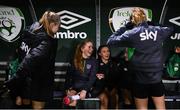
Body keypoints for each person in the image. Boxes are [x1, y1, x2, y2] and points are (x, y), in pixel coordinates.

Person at [107, 7, 173, 109]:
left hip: (140, 79)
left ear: (132, 20)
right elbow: (170, 28)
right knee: (161, 108)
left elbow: (110, 41)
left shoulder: (132, 33)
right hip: (156, 79)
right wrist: (153, 24)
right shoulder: (158, 31)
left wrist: (125, 27)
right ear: (145, 18)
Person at [5, 10, 60, 109]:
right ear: (53, 24)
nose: (59, 29)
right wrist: (14, 80)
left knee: (25, 105)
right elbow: (30, 60)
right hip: (39, 81)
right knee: (37, 108)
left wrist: (17, 80)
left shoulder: (29, 31)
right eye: (58, 26)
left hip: (26, 80)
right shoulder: (46, 40)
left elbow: (22, 55)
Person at [64, 39, 97, 107]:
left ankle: (74, 98)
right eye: (89, 47)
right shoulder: (74, 60)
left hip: (87, 89)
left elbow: (92, 78)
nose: (91, 49)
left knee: (73, 101)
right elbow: (68, 76)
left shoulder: (94, 61)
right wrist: (68, 89)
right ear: (82, 49)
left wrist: (85, 90)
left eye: (92, 47)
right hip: (74, 88)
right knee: (69, 99)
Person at [92, 45, 119, 109]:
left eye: (108, 51)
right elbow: (93, 79)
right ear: (99, 54)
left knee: (115, 96)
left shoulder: (113, 64)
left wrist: (114, 88)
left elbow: (116, 78)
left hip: (111, 88)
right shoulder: (95, 63)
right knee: (104, 97)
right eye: (104, 51)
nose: (107, 53)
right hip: (98, 89)